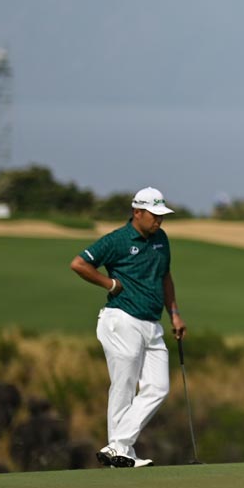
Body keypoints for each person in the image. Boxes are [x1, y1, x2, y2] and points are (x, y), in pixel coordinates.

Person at [68, 186, 186, 468]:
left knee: (158, 387)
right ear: (137, 212)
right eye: (154, 215)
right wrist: (109, 284)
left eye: (161, 215)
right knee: (124, 385)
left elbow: (165, 277)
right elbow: (79, 264)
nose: (159, 220)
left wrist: (174, 313)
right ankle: (121, 452)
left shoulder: (161, 239)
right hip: (122, 319)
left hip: (152, 324)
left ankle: (118, 447)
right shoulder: (118, 240)